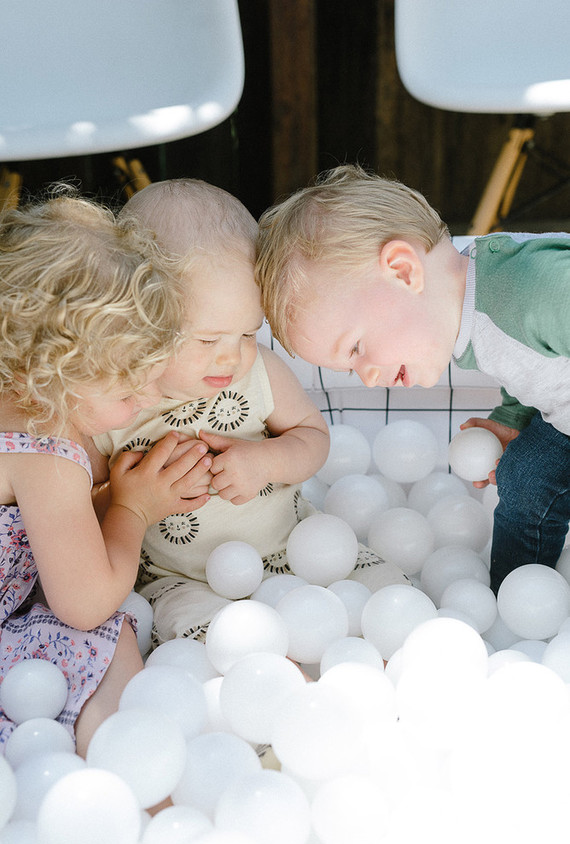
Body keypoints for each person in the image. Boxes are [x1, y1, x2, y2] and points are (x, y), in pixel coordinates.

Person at [92, 179, 409, 646]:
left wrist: (266, 461)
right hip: (181, 577)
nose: (231, 357)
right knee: (208, 634)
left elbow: (313, 437)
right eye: (207, 339)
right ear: (135, 318)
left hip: (297, 549)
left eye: (247, 333)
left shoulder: (259, 372)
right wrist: (130, 497)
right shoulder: (113, 403)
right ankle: (273, 672)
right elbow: (79, 507)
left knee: (390, 594)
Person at [256, 163, 570, 594]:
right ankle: (517, 599)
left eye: (356, 349)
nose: (368, 379)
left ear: (403, 271)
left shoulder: (535, 288)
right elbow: (527, 360)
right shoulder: (471, 317)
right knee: (524, 477)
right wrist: (513, 416)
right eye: (351, 370)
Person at [0, 192, 212, 757]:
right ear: (51, 377)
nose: (150, 400)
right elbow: (85, 601)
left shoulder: (17, 403)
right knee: (105, 638)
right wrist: (131, 509)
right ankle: (127, 772)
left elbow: (34, 532)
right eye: (129, 392)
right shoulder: (45, 448)